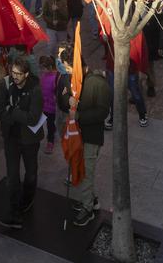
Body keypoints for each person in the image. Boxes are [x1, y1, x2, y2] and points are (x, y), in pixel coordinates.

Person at [0, 57, 43, 229]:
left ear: (26, 74)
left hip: (29, 140)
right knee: (12, 176)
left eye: (18, 74)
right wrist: (11, 112)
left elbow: (33, 118)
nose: (14, 77)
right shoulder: (5, 84)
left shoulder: (35, 89)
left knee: (31, 174)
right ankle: (14, 213)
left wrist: (13, 111)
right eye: (13, 72)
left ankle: (28, 199)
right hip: (11, 138)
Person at [66, 61, 113, 227]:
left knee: (87, 172)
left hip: (91, 136)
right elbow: (64, 97)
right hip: (78, 135)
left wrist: (78, 114)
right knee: (83, 169)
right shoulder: (76, 80)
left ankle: (87, 209)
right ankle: (91, 200)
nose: (66, 71)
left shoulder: (98, 84)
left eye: (67, 67)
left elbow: (102, 112)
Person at [38, 55, 60, 155]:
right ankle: (51, 135)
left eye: (44, 68)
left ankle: (50, 141)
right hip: (45, 106)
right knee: (49, 123)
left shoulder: (55, 78)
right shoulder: (44, 77)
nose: (43, 70)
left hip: (52, 106)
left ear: (50, 67)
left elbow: (56, 93)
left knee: (50, 124)